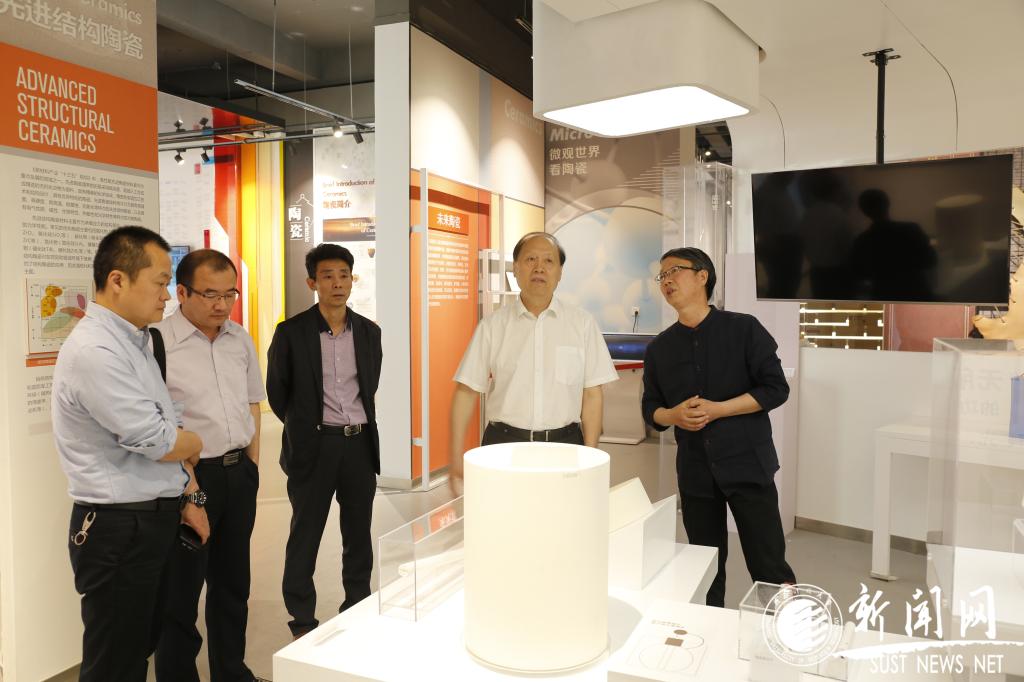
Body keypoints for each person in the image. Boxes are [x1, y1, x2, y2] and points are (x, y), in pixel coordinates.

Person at [52, 226, 205, 682]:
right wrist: (194, 443)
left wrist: (188, 492)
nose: (166, 296)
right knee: (115, 662)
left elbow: (165, 421)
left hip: (150, 518)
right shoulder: (96, 350)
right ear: (118, 280)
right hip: (118, 528)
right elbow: (159, 440)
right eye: (159, 283)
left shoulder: (137, 341)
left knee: (139, 647)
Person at [641, 247, 795, 607]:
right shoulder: (660, 348)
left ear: (702, 276)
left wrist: (719, 409)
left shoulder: (744, 328)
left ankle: (784, 632)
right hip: (696, 473)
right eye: (661, 276)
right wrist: (673, 416)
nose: (666, 281)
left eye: (674, 271)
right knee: (705, 568)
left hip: (748, 465)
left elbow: (776, 388)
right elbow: (651, 409)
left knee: (769, 564)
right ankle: (709, 634)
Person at [153, 250, 267, 682]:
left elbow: (252, 403)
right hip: (189, 480)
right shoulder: (158, 343)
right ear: (181, 292)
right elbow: (160, 427)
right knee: (181, 592)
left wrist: (252, 465)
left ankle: (231, 672)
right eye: (210, 295)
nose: (222, 305)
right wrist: (190, 490)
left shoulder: (239, 338)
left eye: (229, 294)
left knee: (233, 585)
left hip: (238, 474)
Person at [267, 243, 382, 639]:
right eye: (328, 276)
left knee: (358, 533)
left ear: (353, 279)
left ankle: (358, 603)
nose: (337, 283)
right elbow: (278, 394)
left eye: (344, 275)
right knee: (306, 534)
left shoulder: (369, 332)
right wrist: (305, 429)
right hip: (314, 447)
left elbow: (369, 386)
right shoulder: (291, 333)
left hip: (359, 446)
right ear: (312, 282)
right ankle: (302, 619)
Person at [449, 232, 617, 490]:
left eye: (549, 261)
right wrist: (455, 457)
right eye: (530, 259)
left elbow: (592, 394)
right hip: (503, 445)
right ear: (516, 269)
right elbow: (466, 390)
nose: (539, 268)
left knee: (561, 514)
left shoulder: (582, 324)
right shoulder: (492, 326)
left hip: (566, 446)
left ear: (560, 272)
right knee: (504, 514)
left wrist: (591, 456)